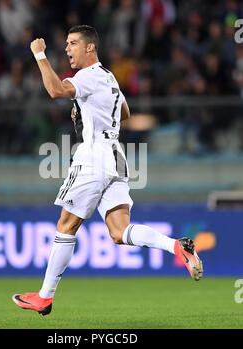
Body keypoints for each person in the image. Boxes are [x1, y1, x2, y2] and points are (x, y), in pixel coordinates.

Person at [12, 25, 203, 317]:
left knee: (66, 225)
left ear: (90, 48)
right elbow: (124, 113)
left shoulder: (86, 77)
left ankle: (44, 297)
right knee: (119, 231)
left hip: (93, 156)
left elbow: (54, 90)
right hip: (116, 156)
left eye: (73, 43)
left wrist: (39, 55)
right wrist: (89, 108)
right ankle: (177, 246)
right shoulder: (109, 77)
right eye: (66, 44)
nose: (67, 49)